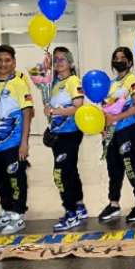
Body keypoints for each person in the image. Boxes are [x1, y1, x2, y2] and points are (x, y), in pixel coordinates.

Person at [0, 44, 33, 234]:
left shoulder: (19, 84)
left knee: (16, 180)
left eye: (7, 60)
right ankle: (6, 211)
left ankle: (18, 215)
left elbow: (27, 113)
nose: (3, 64)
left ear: (14, 62)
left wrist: (24, 142)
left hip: (14, 144)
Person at [98, 47, 135, 223]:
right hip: (111, 133)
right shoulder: (110, 84)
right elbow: (104, 109)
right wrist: (103, 126)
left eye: (122, 58)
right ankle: (113, 203)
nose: (118, 61)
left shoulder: (132, 80)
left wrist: (116, 117)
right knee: (113, 168)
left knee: (131, 165)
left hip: (129, 129)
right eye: (115, 57)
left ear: (128, 61)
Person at [43, 47, 87, 232]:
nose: (58, 63)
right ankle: (78, 206)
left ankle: (70, 214)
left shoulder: (73, 81)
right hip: (58, 135)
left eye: (62, 59)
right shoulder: (54, 83)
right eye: (56, 60)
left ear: (70, 62)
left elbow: (78, 107)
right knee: (70, 171)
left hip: (70, 134)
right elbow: (38, 74)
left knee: (60, 174)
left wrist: (55, 111)